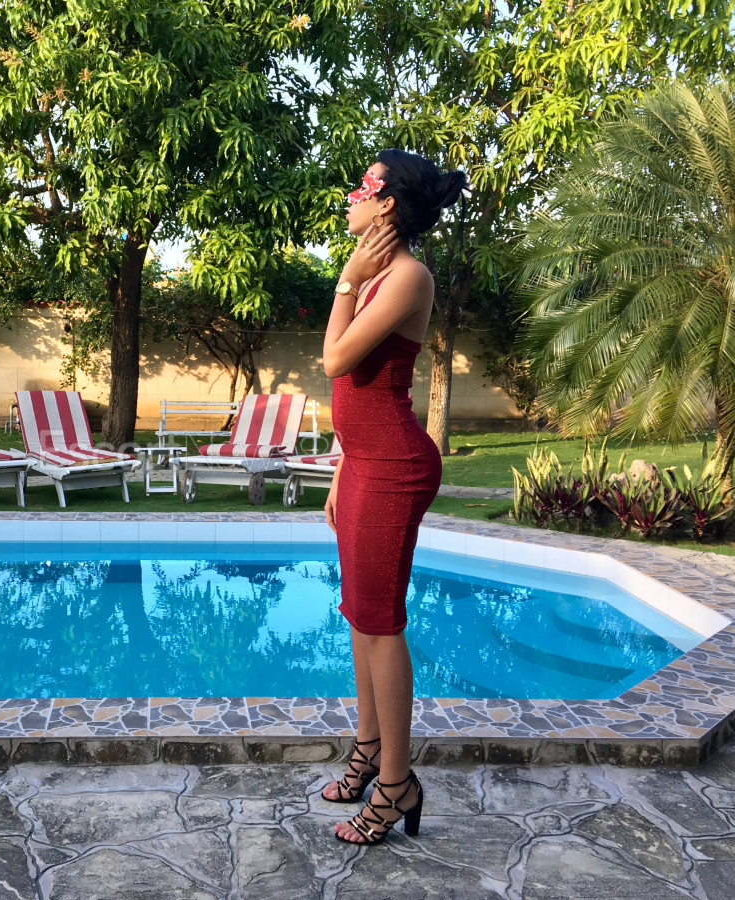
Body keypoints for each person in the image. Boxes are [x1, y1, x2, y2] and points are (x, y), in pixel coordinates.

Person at [320, 149, 467, 845]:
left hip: (396, 466)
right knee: (359, 615)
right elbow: (356, 397)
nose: (351, 196)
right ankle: (369, 750)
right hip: (365, 463)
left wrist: (347, 283)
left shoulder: (406, 276)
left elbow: (335, 361)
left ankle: (396, 784)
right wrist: (340, 468)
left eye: (364, 185)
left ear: (387, 204)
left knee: (381, 622)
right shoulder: (378, 274)